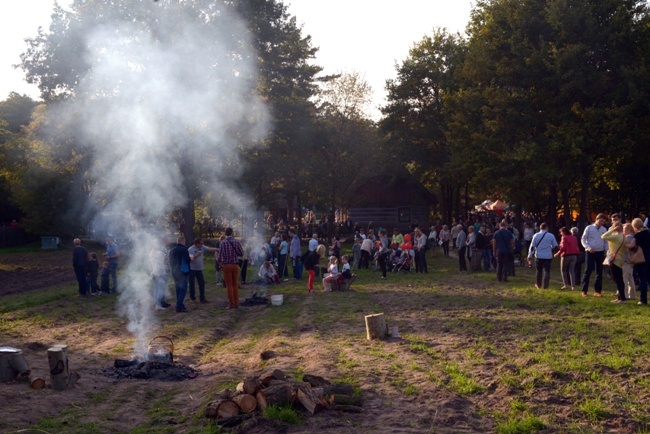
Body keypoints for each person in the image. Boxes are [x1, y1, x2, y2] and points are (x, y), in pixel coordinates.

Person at [581, 213, 608, 297]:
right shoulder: (589, 228)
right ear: (597, 219)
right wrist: (588, 247)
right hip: (590, 251)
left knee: (599, 272)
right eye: (601, 220)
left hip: (600, 252)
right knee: (588, 271)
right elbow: (583, 239)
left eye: (603, 221)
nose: (602, 223)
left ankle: (598, 291)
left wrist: (606, 250)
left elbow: (606, 241)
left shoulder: (604, 229)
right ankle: (584, 290)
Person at [218, 228, 244, 309]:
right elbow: (241, 253)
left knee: (229, 285)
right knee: (235, 284)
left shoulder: (222, 243)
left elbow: (219, 256)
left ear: (225, 233)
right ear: (232, 233)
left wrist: (220, 264)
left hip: (226, 265)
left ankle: (231, 304)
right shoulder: (236, 242)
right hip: (235, 265)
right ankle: (236, 302)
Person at [602, 221, 628, 303]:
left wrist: (612, 230)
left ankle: (622, 298)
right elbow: (625, 249)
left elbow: (603, 236)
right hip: (620, 258)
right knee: (619, 278)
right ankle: (620, 297)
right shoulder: (624, 237)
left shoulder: (616, 236)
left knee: (617, 279)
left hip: (614, 259)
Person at [527, 222, 558, 289]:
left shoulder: (536, 235)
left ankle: (538, 285)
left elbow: (532, 246)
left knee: (539, 271)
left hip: (539, 255)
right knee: (547, 271)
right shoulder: (551, 235)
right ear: (546, 228)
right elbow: (555, 245)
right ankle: (545, 286)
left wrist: (530, 255)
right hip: (548, 256)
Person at [627, 218, 650, 305]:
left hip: (641, 259)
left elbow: (631, 245)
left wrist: (626, 244)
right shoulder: (648, 233)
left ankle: (643, 300)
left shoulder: (638, 236)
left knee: (643, 280)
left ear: (635, 226)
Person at [188, 238, 217, 303]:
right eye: (200, 243)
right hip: (192, 269)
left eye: (202, 243)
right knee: (192, 284)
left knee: (201, 283)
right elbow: (190, 259)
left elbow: (209, 249)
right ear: (196, 244)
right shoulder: (190, 249)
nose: (202, 245)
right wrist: (196, 255)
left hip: (199, 269)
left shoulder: (202, 247)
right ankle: (192, 298)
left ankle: (202, 298)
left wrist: (217, 249)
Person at [169, 236, 192, 313]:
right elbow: (187, 260)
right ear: (183, 241)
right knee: (183, 289)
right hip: (182, 271)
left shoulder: (172, 250)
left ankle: (181, 305)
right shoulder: (184, 249)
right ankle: (179, 306)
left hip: (174, 271)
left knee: (178, 289)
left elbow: (171, 262)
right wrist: (191, 258)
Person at [150, 242, 168, 310]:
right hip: (160, 273)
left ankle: (156, 303)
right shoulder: (160, 253)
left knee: (156, 289)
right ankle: (158, 305)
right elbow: (165, 260)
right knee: (160, 290)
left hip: (154, 272)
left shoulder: (151, 253)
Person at [622, 223, 636, 300]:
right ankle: (632, 294)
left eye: (624, 229)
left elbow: (630, 246)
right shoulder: (632, 237)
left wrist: (623, 244)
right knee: (630, 277)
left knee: (625, 277)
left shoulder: (628, 237)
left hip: (626, 259)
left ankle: (625, 294)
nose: (623, 230)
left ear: (628, 229)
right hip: (631, 260)